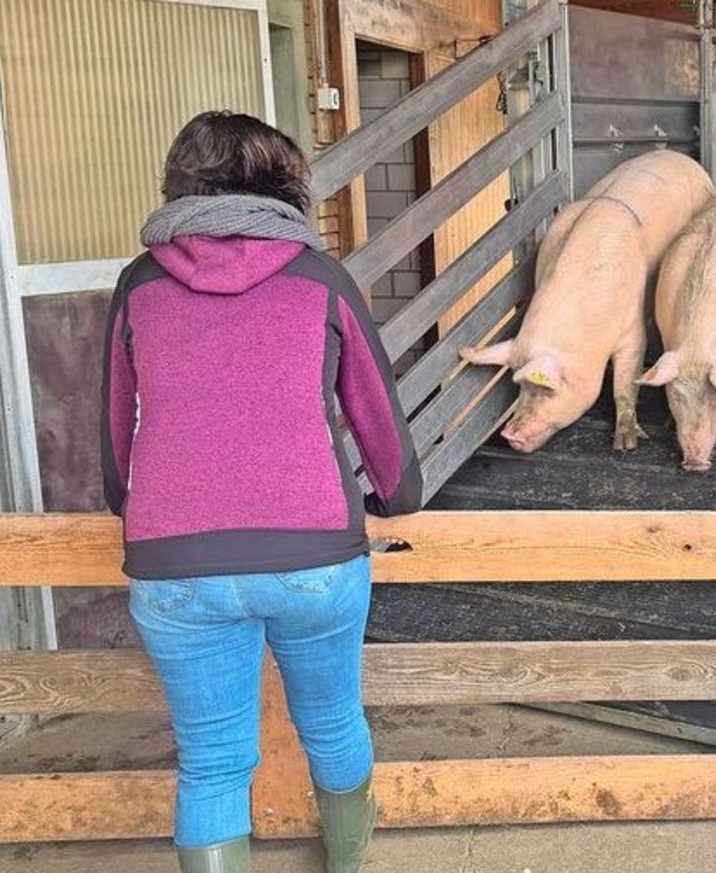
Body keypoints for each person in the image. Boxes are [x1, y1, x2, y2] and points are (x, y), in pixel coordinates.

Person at [100, 110, 422, 873]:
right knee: (334, 723)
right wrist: (397, 494)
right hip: (313, 553)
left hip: (173, 562)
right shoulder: (318, 279)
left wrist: (128, 503)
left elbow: (117, 417)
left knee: (211, 760)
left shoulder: (139, 284)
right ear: (286, 186)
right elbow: (373, 407)